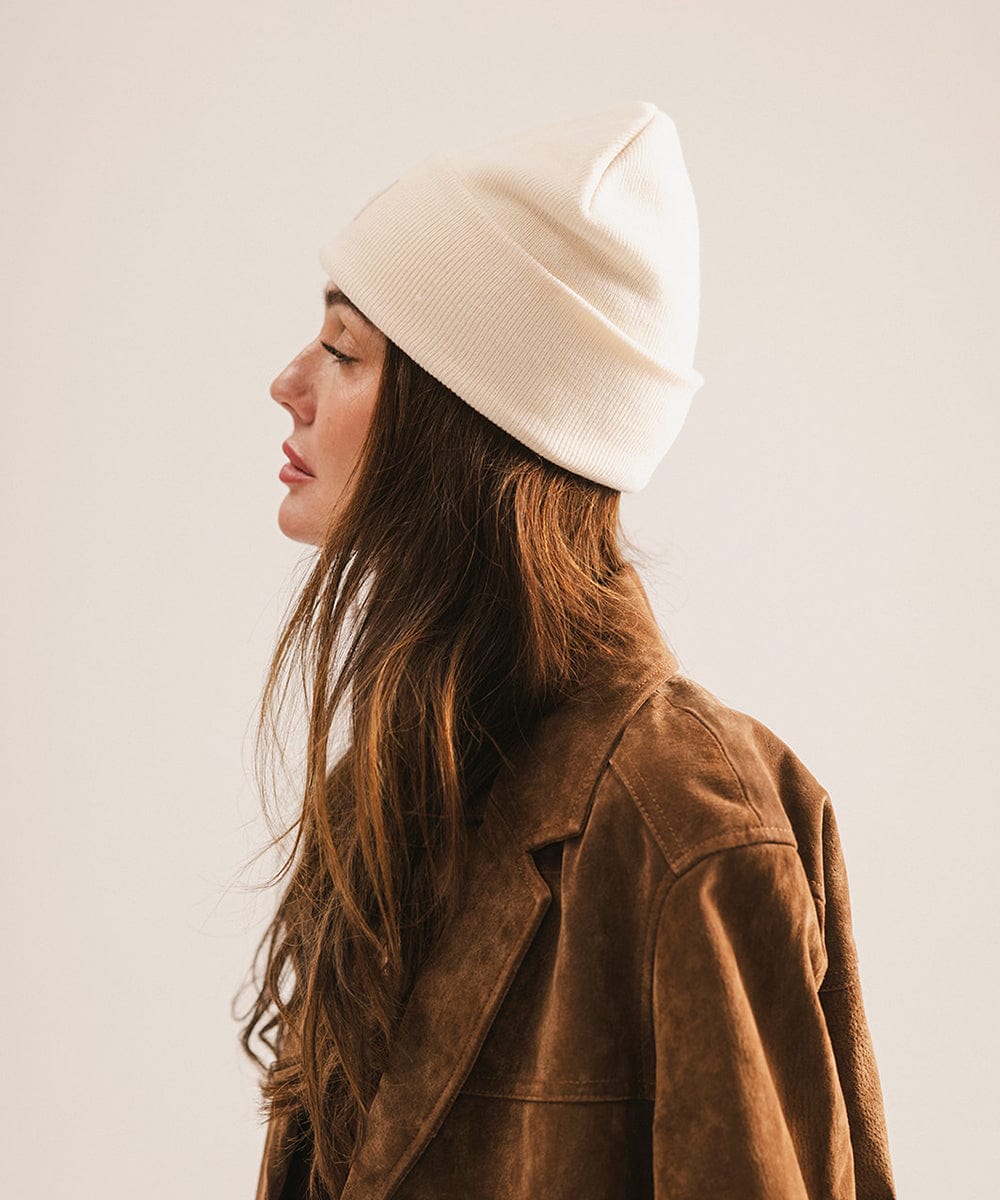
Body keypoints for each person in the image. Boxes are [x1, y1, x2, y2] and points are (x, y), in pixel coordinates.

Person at [235, 100, 897, 1200]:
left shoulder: (686, 815)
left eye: (344, 351)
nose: (288, 383)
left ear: (463, 422)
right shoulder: (406, 781)